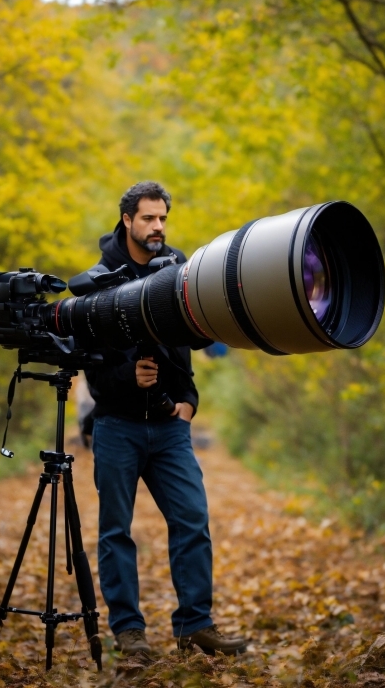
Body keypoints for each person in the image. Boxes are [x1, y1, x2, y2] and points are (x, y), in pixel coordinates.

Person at [84, 181, 247, 657]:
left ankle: (195, 626)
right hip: (117, 425)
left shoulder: (179, 271)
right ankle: (129, 633)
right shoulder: (100, 279)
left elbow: (191, 347)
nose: (157, 227)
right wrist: (127, 378)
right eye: (149, 218)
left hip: (171, 428)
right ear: (127, 221)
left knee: (192, 519)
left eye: (163, 219)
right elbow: (93, 372)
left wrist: (189, 402)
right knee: (117, 530)